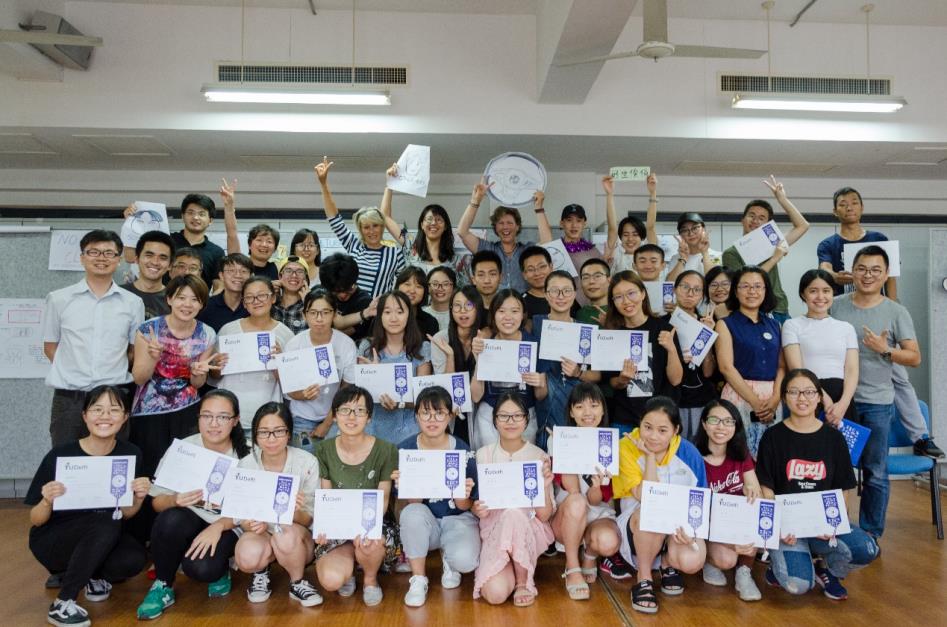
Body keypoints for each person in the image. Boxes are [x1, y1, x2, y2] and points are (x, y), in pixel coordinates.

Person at [817, 188, 941, 459]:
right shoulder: (828, 244)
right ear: (835, 211)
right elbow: (824, 271)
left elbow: (891, 276)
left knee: (898, 376)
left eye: (854, 203)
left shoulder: (879, 239)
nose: (849, 207)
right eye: (843, 204)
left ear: (862, 207)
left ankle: (920, 436)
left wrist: (892, 307)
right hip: (843, 316)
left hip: (878, 317)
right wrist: (838, 277)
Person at [26, 385, 149, 627]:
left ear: (125, 417)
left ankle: (92, 575)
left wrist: (139, 497)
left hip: (104, 534)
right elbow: (36, 519)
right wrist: (47, 500)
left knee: (133, 558)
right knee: (105, 521)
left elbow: (125, 513)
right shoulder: (61, 455)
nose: (105, 416)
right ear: (84, 416)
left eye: (114, 410)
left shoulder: (130, 453)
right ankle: (63, 602)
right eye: (97, 409)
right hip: (56, 538)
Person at [756, 369, 880, 599]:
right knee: (798, 585)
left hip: (822, 526)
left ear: (819, 398)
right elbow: (767, 488)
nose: (802, 398)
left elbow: (843, 488)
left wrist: (833, 524)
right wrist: (779, 527)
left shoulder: (834, 438)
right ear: (784, 397)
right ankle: (779, 565)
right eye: (794, 392)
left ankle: (827, 569)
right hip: (788, 529)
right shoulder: (772, 437)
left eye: (809, 392)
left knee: (867, 548)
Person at [830, 246, 923, 538]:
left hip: (876, 403)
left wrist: (886, 350)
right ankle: (832, 531)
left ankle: (870, 534)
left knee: (875, 471)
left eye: (875, 270)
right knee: (832, 469)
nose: (867, 275)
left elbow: (914, 357)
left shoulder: (896, 311)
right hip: (838, 402)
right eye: (862, 269)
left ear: (885, 274)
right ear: (851, 272)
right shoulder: (835, 305)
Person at [136, 390, 251, 619]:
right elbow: (156, 502)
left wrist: (218, 527)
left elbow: (250, 510)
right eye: (207, 416)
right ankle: (163, 584)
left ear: (235, 420)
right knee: (169, 519)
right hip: (188, 518)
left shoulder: (248, 453)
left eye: (222, 417)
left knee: (202, 569)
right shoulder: (183, 449)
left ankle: (221, 569)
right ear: (198, 417)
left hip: (228, 525)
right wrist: (174, 500)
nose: (213, 424)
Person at [43, 229, 145, 447]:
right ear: (82, 257)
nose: (101, 258)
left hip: (114, 397)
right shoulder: (58, 299)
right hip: (70, 398)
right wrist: (75, 372)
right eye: (94, 252)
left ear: (118, 259)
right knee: (66, 459)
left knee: (113, 461)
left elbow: (132, 351)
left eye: (109, 253)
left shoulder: (133, 303)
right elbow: (50, 347)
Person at [612, 397, 708, 614]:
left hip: (676, 525)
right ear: (639, 423)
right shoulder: (626, 446)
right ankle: (644, 577)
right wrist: (649, 457)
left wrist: (692, 533)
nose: (653, 436)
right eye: (647, 427)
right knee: (651, 513)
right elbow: (647, 497)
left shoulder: (689, 452)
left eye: (662, 430)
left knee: (692, 560)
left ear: (676, 430)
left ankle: (667, 561)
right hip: (638, 526)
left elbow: (700, 500)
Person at [392, 386, 479, 607]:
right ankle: (418, 578)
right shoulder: (405, 451)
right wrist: (408, 488)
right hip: (426, 521)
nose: (432, 420)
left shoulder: (463, 451)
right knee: (411, 513)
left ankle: (449, 559)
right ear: (416, 416)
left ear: (450, 416)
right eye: (425, 413)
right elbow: (412, 505)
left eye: (439, 413)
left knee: (466, 561)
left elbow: (466, 506)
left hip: (457, 518)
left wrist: (462, 494)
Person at [313, 387, 397, 607]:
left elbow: (383, 499)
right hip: (337, 525)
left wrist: (365, 528)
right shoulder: (323, 450)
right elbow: (325, 495)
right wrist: (324, 528)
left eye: (360, 411)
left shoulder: (386, 450)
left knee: (371, 544)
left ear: (369, 417)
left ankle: (370, 579)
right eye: (345, 410)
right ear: (334, 415)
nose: (352, 417)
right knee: (331, 580)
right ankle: (348, 567)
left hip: (373, 523)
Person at [231, 403, 321, 607]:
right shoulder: (246, 465)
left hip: (295, 535)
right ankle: (260, 572)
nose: (271, 439)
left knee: (285, 536)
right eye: (264, 432)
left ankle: (297, 581)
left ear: (289, 433)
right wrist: (251, 525)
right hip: (261, 533)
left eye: (279, 431)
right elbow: (240, 516)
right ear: (255, 435)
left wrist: (293, 511)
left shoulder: (307, 462)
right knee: (246, 555)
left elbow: (308, 519)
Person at [131, 275, 219, 476]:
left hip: (187, 411)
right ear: (169, 299)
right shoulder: (149, 330)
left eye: (195, 299)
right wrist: (153, 358)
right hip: (149, 412)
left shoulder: (207, 334)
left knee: (182, 472)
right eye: (181, 297)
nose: (187, 304)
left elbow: (197, 384)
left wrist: (197, 373)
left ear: (202, 304)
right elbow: (139, 378)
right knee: (149, 472)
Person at [473, 393, 555, 607]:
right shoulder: (482, 455)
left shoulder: (539, 456)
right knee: (495, 594)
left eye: (517, 416)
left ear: (526, 420)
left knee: (513, 513)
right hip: (495, 531)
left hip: (528, 529)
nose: (511, 421)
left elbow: (544, 515)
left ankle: (522, 582)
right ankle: (512, 567)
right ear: (494, 420)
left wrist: (544, 487)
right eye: (504, 416)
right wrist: (477, 509)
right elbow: (476, 505)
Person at [549, 384, 622, 601]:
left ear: (603, 410)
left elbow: (596, 500)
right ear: (571, 412)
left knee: (608, 542)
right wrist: (565, 449)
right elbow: (572, 490)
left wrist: (597, 486)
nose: (587, 412)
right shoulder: (558, 439)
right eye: (579, 407)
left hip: (597, 514)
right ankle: (572, 566)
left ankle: (590, 554)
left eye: (594, 405)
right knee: (577, 501)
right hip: (567, 516)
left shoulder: (609, 444)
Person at [694, 399, 763, 602]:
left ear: (736, 426)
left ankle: (744, 572)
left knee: (757, 512)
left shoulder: (741, 454)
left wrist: (750, 490)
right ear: (704, 424)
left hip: (736, 522)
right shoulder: (694, 456)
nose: (721, 427)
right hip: (708, 526)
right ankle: (709, 560)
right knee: (726, 559)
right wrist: (729, 543)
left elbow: (756, 491)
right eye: (714, 420)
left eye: (728, 421)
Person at [714, 265, 785, 457]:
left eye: (758, 286)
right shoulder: (725, 324)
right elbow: (726, 367)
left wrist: (775, 398)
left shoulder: (775, 325)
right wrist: (754, 401)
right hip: (739, 395)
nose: (752, 291)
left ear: (765, 291)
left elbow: (782, 366)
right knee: (738, 453)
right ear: (735, 291)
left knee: (770, 454)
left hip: (772, 398)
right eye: (745, 286)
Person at [602, 272, 683, 434]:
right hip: (624, 419)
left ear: (643, 294)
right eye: (618, 297)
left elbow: (675, 380)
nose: (626, 301)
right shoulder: (612, 335)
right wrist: (622, 380)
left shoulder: (664, 329)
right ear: (613, 302)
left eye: (631, 293)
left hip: (661, 420)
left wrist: (671, 349)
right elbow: (612, 382)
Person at [214, 277, 294, 440]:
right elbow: (214, 376)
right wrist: (217, 366)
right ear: (244, 303)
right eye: (249, 297)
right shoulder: (228, 331)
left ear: (273, 298)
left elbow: (291, 385)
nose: (256, 301)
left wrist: (279, 363)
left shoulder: (285, 334)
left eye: (262, 295)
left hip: (267, 421)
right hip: (229, 417)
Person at [722, 176, 810, 325]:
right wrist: (775, 258)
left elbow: (803, 226)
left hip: (779, 308)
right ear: (742, 220)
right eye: (751, 216)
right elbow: (744, 282)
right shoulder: (731, 253)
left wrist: (782, 199)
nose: (755, 221)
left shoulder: (772, 242)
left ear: (768, 224)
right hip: (753, 310)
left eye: (762, 218)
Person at [315, 157, 406, 297]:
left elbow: (404, 284)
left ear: (382, 227)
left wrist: (390, 183)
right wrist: (323, 184)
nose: (371, 231)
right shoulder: (354, 245)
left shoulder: (395, 253)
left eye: (375, 225)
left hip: (379, 309)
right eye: (366, 227)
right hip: (350, 308)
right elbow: (334, 218)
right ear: (361, 230)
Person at [470, 289, 548, 448]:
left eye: (514, 311)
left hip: (524, 418)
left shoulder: (534, 345)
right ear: (493, 315)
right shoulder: (484, 344)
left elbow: (540, 396)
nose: (508, 317)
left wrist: (540, 382)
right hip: (489, 418)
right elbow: (476, 397)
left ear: (523, 315)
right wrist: (479, 362)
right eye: (501, 311)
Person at [283, 288, 358, 448]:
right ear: (304, 315)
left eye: (325, 312)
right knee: (305, 459)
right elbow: (289, 390)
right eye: (313, 313)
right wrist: (302, 395)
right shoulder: (294, 345)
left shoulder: (346, 344)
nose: (319, 318)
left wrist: (327, 422)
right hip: (302, 417)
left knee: (334, 460)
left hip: (337, 416)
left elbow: (347, 388)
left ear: (334, 314)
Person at [533, 271, 600, 449]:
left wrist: (579, 372)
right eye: (555, 291)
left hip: (578, 408)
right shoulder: (535, 325)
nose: (561, 296)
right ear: (546, 294)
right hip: (546, 406)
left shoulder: (585, 330)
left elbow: (598, 375)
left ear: (575, 294)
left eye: (567, 290)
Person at [782, 269, 858, 424]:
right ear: (803, 294)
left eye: (826, 291)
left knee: (841, 440)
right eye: (813, 291)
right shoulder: (791, 325)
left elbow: (852, 370)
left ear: (833, 293)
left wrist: (843, 404)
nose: (820, 297)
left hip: (841, 397)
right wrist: (823, 397)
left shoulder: (846, 328)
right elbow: (796, 368)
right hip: (807, 396)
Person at [357, 291, 432, 443]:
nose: (393, 318)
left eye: (400, 312)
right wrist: (374, 375)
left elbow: (423, 397)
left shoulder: (422, 348)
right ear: (380, 316)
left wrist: (399, 403)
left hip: (410, 431)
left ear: (409, 315)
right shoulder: (367, 347)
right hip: (372, 430)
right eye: (387, 312)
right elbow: (360, 396)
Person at [457, 178, 553, 293]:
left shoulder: (527, 250)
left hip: (523, 303)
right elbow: (462, 232)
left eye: (510, 223)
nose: (505, 227)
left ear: (517, 226)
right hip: (494, 304)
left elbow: (548, 243)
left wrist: (539, 208)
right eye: (501, 223)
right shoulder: (487, 249)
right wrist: (475, 200)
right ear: (495, 227)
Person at [380, 171, 471, 284]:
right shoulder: (410, 244)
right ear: (422, 225)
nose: (433, 223)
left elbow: (465, 292)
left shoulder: (455, 260)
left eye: (439, 220)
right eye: (429, 219)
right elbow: (385, 217)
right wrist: (389, 184)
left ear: (446, 226)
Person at [428, 285, 487, 442]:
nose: (462, 311)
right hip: (451, 410)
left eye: (469, 305)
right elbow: (445, 391)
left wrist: (479, 359)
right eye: (457, 306)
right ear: (451, 309)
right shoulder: (440, 339)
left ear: (478, 308)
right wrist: (450, 356)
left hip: (479, 412)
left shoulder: (485, 340)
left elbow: (476, 396)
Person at [536, 187, 614, 306]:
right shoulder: (556, 249)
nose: (574, 225)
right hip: (562, 305)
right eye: (569, 220)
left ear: (584, 224)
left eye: (578, 220)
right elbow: (546, 239)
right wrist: (539, 208)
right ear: (561, 223)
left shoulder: (593, 252)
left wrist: (609, 195)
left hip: (589, 307)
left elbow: (613, 230)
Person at [664, 271, 717, 441]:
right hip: (672, 399)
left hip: (702, 399)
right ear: (675, 289)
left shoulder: (707, 323)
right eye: (685, 287)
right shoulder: (661, 323)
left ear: (702, 295)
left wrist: (708, 336)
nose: (690, 293)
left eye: (697, 289)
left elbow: (708, 372)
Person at [220, 179, 279, 281]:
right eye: (259, 240)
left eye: (269, 241)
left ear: (275, 249)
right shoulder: (240, 264)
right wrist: (229, 207)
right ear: (249, 245)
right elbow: (232, 234)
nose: (264, 245)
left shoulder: (278, 269)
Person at [170, 193, 225, 288]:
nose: (195, 217)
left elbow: (218, 286)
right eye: (190, 213)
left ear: (210, 220)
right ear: (182, 216)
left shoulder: (216, 252)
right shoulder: (167, 241)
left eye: (201, 214)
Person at [321, 252, 376, 342]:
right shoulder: (324, 293)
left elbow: (341, 331)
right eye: (336, 291)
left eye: (348, 289)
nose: (342, 295)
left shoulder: (365, 302)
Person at [120, 230, 175, 319]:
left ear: (170, 265)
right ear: (137, 259)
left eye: (162, 258)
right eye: (149, 255)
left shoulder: (175, 300)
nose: (155, 262)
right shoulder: (118, 294)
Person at [608, 173, 655, 273]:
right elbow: (612, 227)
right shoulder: (616, 256)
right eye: (626, 234)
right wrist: (609, 194)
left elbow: (650, 227)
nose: (630, 239)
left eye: (635, 234)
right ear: (620, 237)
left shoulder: (650, 255)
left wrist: (653, 193)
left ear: (642, 237)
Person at [196, 253, 252, 333]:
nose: (238, 275)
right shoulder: (206, 307)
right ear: (221, 275)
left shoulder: (255, 305)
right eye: (231, 270)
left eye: (243, 271)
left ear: (250, 276)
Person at [663, 212, 722, 276]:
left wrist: (705, 253)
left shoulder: (718, 256)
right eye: (685, 230)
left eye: (695, 228)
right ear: (680, 235)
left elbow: (714, 280)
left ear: (703, 229)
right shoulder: (676, 259)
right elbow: (670, 282)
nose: (691, 233)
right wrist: (683, 259)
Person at [395, 266, 440, 338]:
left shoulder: (430, 322)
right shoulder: (384, 315)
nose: (412, 291)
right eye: (407, 284)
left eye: (418, 286)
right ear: (397, 287)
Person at [271, 256, 312, 335]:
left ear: (306, 279)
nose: (294, 275)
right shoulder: (270, 305)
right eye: (288, 271)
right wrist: (266, 292)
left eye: (300, 271)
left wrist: (309, 303)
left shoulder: (310, 306)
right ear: (280, 276)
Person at [519, 245, 555, 323]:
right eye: (530, 269)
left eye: (542, 267)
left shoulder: (566, 297)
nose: (537, 273)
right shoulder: (519, 302)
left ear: (551, 267)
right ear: (524, 275)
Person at [575, 258, 611, 326]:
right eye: (586, 277)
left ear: (609, 280)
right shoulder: (579, 314)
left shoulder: (621, 310)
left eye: (597, 276)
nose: (591, 281)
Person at [423, 266, 455, 332]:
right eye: (435, 284)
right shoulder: (421, 314)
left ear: (453, 287)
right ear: (428, 287)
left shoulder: (460, 314)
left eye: (445, 284)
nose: (440, 288)